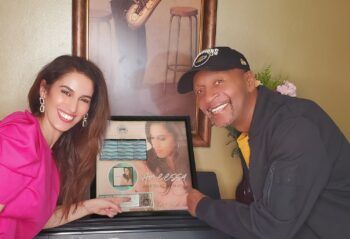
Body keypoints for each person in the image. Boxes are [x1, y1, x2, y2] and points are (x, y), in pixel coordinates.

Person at [177, 47, 350, 238]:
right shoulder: (253, 127)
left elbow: (272, 227)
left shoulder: (293, 127)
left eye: (218, 82)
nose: (207, 98)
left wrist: (201, 205)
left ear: (249, 81)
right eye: (199, 91)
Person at [0, 55, 128, 239]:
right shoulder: (20, 138)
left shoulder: (51, 156)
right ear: (44, 90)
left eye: (83, 99)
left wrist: (90, 206)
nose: (72, 107)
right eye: (66, 92)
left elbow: (37, 219)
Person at [136, 121, 191, 210]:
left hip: (188, 218)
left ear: (176, 137)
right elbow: (141, 207)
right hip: (158, 220)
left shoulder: (187, 159)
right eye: (152, 138)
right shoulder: (144, 164)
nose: (155, 145)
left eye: (162, 138)